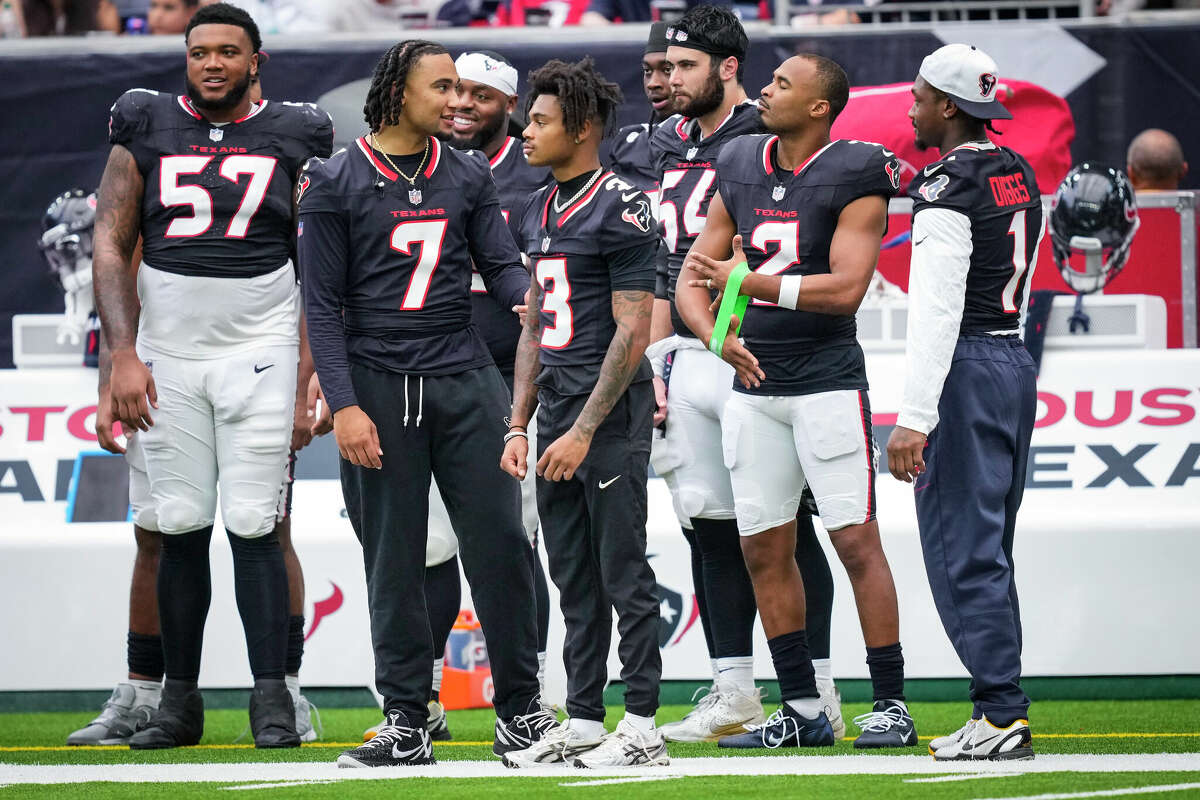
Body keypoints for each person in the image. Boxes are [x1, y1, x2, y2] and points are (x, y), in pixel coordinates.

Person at [298, 39, 553, 768]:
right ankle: (408, 718)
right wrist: (343, 405)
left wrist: (540, 309)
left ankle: (522, 713)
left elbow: (501, 267)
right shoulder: (335, 179)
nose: (455, 100)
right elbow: (320, 307)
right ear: (397, 92)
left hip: (465, 374)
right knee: (395, 560)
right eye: (441, 86)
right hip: (377, 379)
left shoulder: (467, 173)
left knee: (503, 547)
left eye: (462, 87)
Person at [91, 3, 333, 749]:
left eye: (229, 51)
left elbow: (321, 260)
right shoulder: (144, 122)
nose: (212, 63)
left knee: (257, 524)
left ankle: (272, 698)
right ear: (186, 58)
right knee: (179, 524)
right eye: (200, 52)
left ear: (256, 59)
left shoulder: (299, 130)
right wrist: (122, 354)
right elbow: (110, 241)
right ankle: (178, 703)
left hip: (262, 347)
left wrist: (310, 373)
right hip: (168, 352)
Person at [680, 53, 915, 750]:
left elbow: (846, 287)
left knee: (853, 540)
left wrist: (749, 288)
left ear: (819, 107)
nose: (767, 91)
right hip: (754, 386)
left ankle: (890, 704)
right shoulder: (743, 159)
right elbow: (695, 277)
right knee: (763, 549)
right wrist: (716, 337)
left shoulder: (856, 171)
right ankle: (805, 711)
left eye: (784, 84)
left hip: (827, 381)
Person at [647, 5, 841, 743]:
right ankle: (734, 689)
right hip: (684, 348)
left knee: (786, 527)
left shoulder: (768, 136)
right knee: (707, 523)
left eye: (685, 66)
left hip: (754, 346)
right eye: (664, 67)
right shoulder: (659, 142)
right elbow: (661, 262)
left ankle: (815, 691)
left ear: (730, 67)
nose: (668, 80)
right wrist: (658, 358)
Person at [500, 57, 667, 769]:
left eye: (540, 120)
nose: (527, 131)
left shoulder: (623, 205)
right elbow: (536, 324)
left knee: (624, 572)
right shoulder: (539, 205)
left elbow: (632, 331)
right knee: (572, 575)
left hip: (608, 415)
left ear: (585, 127)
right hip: (557, 412)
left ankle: (643, 727)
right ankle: (585, 718)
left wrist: (582, 429)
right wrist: (518, 422)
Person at [886, 43, 1042, 762]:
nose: (913, 108)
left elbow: (937, 311)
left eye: (920, 97)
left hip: (968, 363)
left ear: (948, 105)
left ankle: (1001, 711)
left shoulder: (946, 183)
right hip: (1012, 356)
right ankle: (1000, 706)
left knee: (963, 550)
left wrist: (914, 415)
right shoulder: (1017, 169)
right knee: (990, 547)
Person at [604, 22, 672, 193]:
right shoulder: (627, 144)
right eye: (647, 71)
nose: (653, 84)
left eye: (667, 69)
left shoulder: (722, 143)